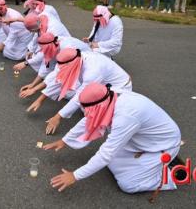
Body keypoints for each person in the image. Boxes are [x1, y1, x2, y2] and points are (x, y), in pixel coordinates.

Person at [44, 82, 182, 194]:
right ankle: (149, 164)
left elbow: (106, 154)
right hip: (141, 140)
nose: (86, 113)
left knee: (128, 185)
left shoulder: (125, 116)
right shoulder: (109, 94)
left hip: (163, 145)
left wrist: (75, 175)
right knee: (111, 163)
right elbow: (89, 120)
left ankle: (170, 173)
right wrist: (65, 140)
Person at [26, 48, 132, 130]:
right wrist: (39, 99)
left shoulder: (93, 70)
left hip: (119, 88)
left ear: (71, 63)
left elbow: (79, 96)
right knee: (82, 103)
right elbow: (59, 79)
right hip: (102, 85)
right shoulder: (75, 57)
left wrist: (57, 117)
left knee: (94, 112)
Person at [18, 32, 91, 108]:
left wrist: (36, 92)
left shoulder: (66, 49)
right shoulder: (53, 42)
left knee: (68, 93)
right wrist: (33, 85)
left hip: (84, 65)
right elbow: (47, 66)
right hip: (77, 61)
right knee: (58, 84)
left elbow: (57, 75)